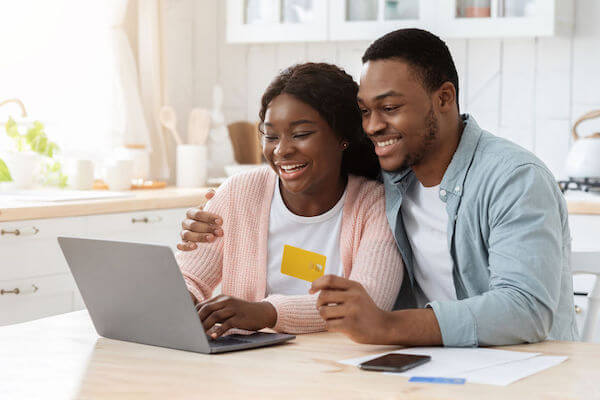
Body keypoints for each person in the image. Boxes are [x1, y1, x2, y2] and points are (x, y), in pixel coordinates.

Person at [179, 29, 578, 347]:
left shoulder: (514, 178)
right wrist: (211, 220)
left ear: (444, 98)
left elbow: (524, 309)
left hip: (525, 367)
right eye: (366, 112)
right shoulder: (390, 178)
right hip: (424, 366)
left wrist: (388, 325)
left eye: (389, 108)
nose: (372, 126)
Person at [176, 62, 403, 339]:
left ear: (342, 136)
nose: (281, 150)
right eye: (271, 136)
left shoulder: (375, 205)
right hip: (246, 366)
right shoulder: (239, 192)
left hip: (334, 366)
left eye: (301, 134)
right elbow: (189, 278)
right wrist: (181, 298)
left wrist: (265, 312)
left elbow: (369, 301)